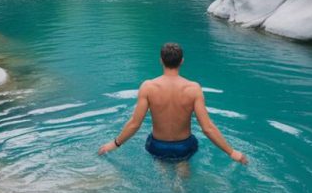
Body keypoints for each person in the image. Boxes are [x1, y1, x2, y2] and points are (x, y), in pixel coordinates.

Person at [98, 43, 248, 164]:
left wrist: (114, 144)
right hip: (184, 146)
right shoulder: (193, 88)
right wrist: (232, 152)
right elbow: (207, 128)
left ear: (161, 60)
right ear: (182, 61)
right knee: (183, 172)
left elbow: (134, 124)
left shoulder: (148, 87)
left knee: (161, 170)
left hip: (157, 146)